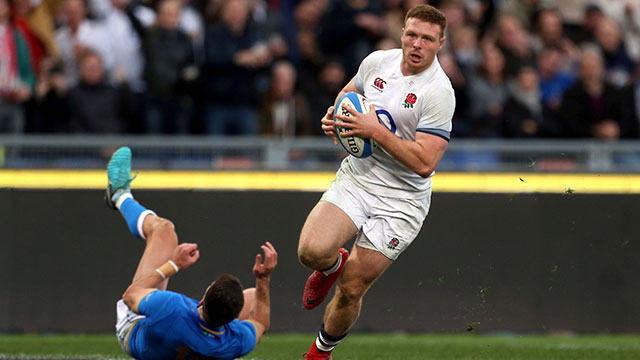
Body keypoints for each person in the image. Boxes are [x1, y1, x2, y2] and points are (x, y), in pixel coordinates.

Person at [297, 5, 454, 359]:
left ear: (440, 43)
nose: (417, 44)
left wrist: (375, 132)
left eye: (427, 39)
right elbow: (348, 94)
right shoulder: (377, 62)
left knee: (352, 289)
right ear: (402, 33)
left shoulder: (439, 92)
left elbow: (425, 163)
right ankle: (332, 265)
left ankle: (319, 352)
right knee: (310, 252)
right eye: (411, 34)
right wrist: (335, 117)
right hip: (360, 177)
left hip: (402, 200)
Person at [105, 146, 277, 359]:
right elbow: (260, 322)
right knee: (254, 296)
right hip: (192, 344)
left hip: (133, 332)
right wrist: (264, 280)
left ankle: (120, 195)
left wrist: (173, 265)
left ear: (202, 300)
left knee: (164, 231)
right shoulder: (235, 341)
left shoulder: (172, 308)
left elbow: (130, 295)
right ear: (233, 321)